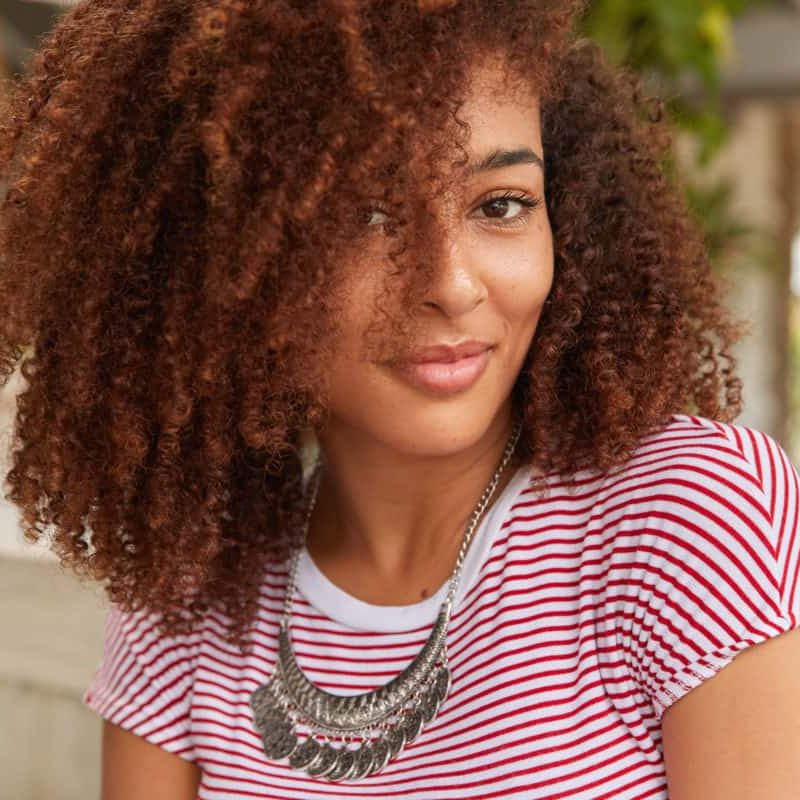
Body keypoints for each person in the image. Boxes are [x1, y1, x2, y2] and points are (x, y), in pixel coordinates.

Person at [1, 0, 799, 797]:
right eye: (368, 215)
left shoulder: (689, 515)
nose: (450, 285)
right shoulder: (187, 596)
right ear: (232, 253)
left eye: (501, 204)